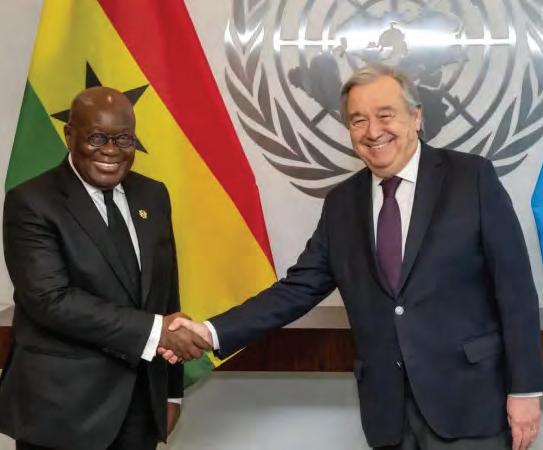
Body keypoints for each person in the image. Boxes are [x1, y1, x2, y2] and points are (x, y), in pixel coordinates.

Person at [164, 65, 543, 450]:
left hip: (471, 405)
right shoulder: (342, 203)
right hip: (388, 415)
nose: (373, 131)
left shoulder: (471, 178)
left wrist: (526, 390)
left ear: (415, 117)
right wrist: (210, 332)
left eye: (385, 115)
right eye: (358, 120)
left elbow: (516, 293)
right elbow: (296, 290)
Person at [0, 87, 210, 450]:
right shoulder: (31, 202)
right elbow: (51, 300)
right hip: (62, 412)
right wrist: (156, 332)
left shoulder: (153, 196)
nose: (111, 150)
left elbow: (166, 294)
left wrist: (170, 392)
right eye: (97, 137)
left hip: (139, 406)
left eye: (124, 139)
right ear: (69, 135)